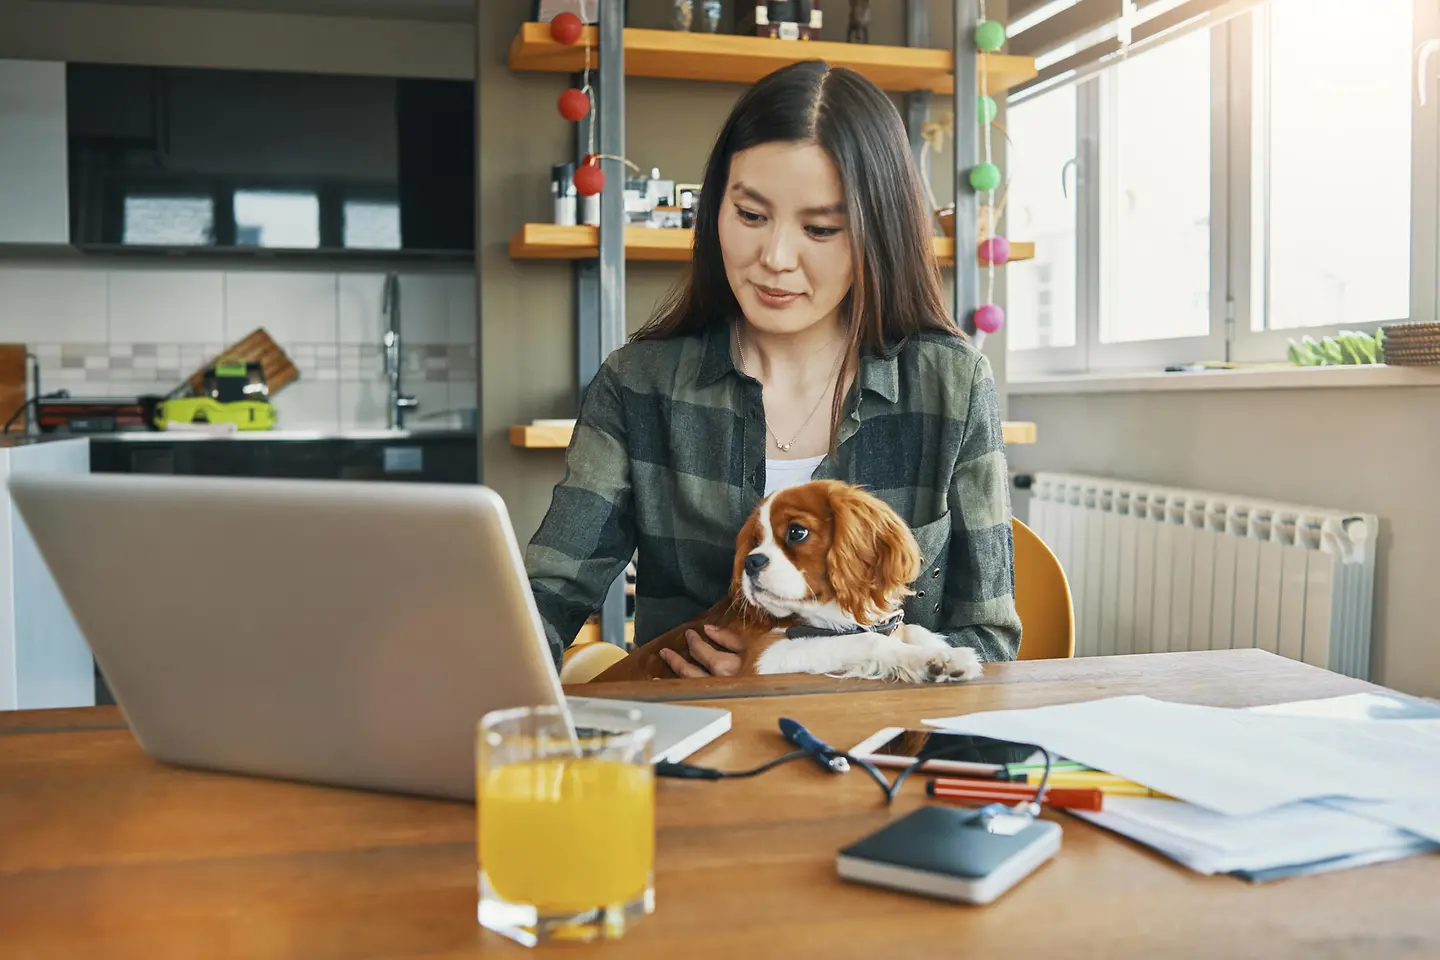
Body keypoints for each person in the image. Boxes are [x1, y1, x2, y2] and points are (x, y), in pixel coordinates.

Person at [525, 59, 1021, 678]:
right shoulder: (637, 385)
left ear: (878, 235)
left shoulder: (952, 386)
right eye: (751, 216)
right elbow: (543, 604)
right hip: (693, 747)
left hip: (886, 753)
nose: (775, 259)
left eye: (820, 228)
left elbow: (989, 639)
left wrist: (797, 672)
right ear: (715, 213)